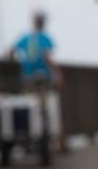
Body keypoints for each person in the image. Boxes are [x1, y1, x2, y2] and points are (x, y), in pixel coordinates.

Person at [8, 11, 64, 153]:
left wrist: (21, 62)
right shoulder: (45, 38)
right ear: (43, 22)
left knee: (27, 108)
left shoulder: (25, 38)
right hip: (42, 79)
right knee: (47, 108)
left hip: (27, 77)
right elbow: (47, 57)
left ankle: (27, 142)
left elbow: (9, 52)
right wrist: (57, 73)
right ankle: (56, 142)